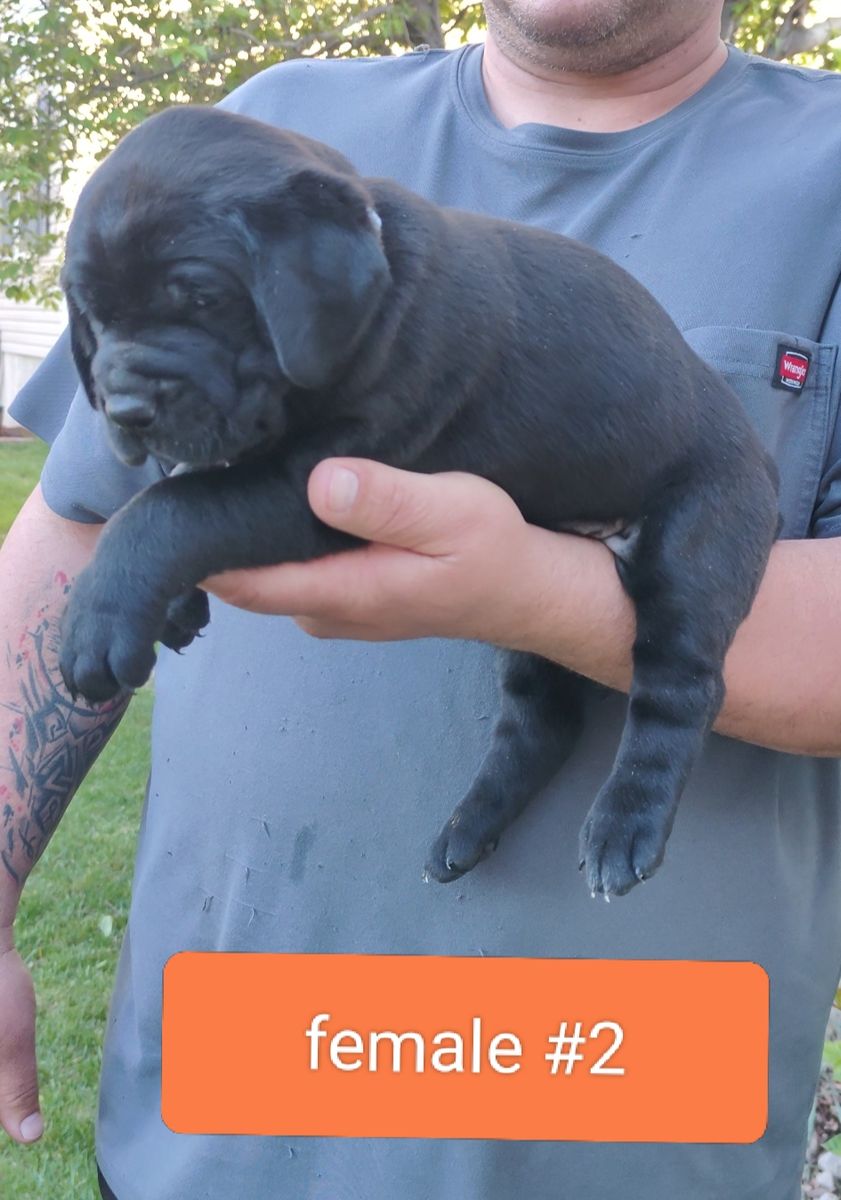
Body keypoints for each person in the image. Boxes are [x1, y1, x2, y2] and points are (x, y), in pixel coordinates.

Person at [2, 1, 841, 1196]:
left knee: (574, 688)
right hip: (226, 1110)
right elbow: (87, 524)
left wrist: (541, 595)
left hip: (617, 1125)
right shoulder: (265, 126)